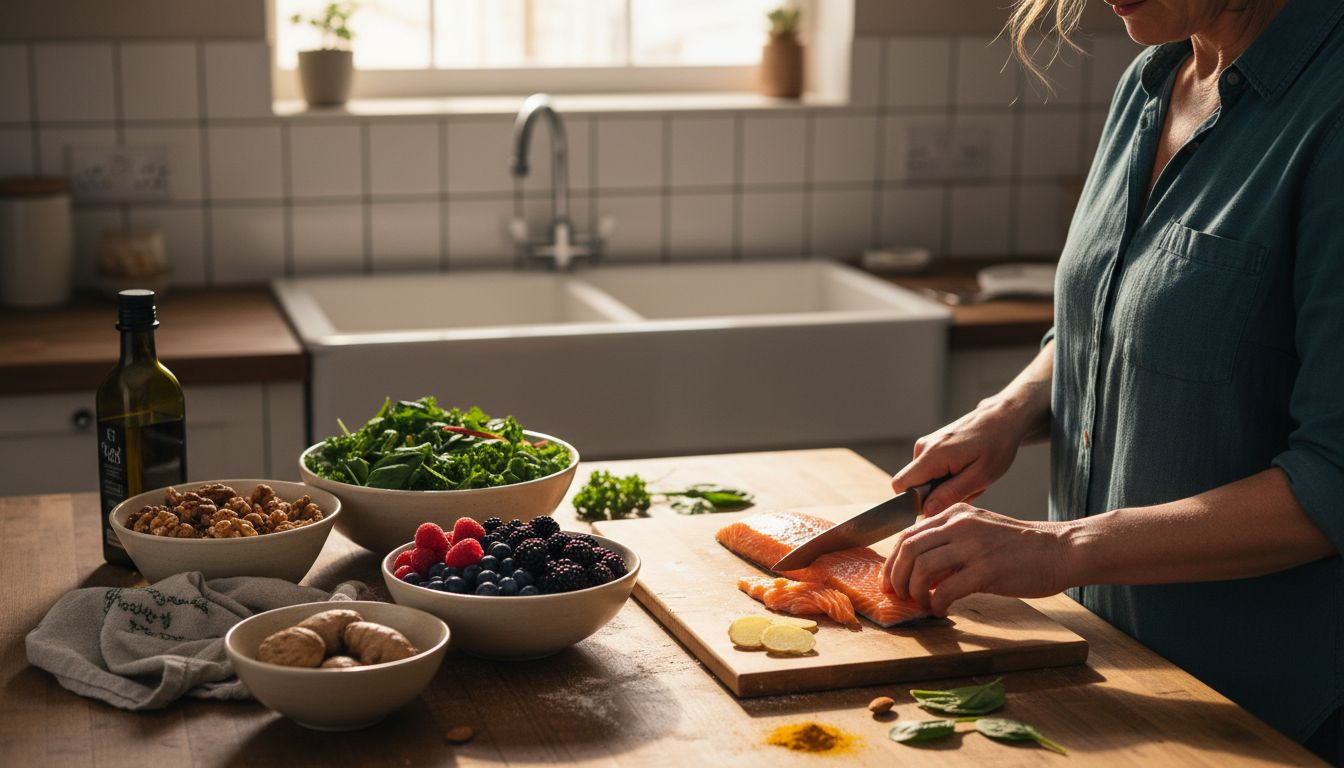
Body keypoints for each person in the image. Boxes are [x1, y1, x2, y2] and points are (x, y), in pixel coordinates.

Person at [879, 0, 1344, 760]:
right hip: (1119, 672)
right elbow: (1104, 316)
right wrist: (1011, 407)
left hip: (1274, 714)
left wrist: (1063, 546)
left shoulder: (1331, 112)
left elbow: (1335, 478)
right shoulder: (1151, 81)